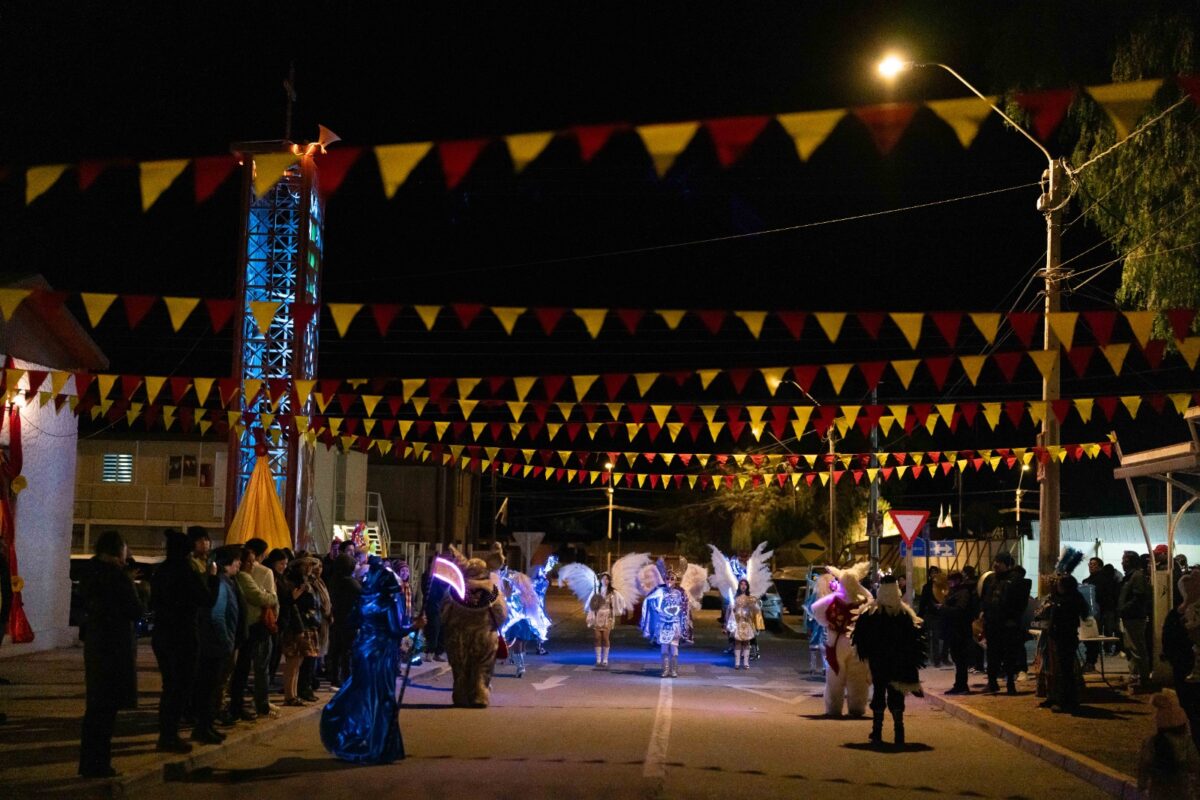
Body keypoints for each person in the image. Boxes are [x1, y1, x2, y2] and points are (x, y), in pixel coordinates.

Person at [320, 558, 424, 765]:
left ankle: (362, 736)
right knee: (381, 697)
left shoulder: (363, 601)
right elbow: (396, 630)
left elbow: (351, 621)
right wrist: (416, 625)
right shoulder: (387, 603)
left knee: (363, 694)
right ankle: (379, 746)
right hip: (381, 654)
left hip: (362, 651)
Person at [78, 531, 144, 778]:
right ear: (119, 550)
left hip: (96, 645)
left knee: (95, 707)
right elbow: (136, 611)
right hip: (115, 647)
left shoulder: (90, 573)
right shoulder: (118, 576)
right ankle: (99, 764)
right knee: (106, 712)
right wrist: (134, 586)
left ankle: (88, 762)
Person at [150, 529, 217, 753]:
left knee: (169, 685)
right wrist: (214, 579)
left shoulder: (160, 571)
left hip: (162, 634)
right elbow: (206, 599)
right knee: (181, 686)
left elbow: (152, 602)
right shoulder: (186, 572)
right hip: (183, 634)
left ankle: (166, 732)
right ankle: (169, 735)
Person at [852, 575, 926, 748]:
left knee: (879, 693)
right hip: (898, 664)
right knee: (896, 695)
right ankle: (899, 732)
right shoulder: (905, 615)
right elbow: (914, 643)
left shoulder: (871, 615)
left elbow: (861, 640)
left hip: (879, 664)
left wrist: (868, 658)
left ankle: (877, 731)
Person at [441, 557, 506, 707]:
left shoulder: (454, 589)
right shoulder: (492, 590)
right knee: (482, 668)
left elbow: (444, 613)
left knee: (460, 668)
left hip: (459, 636)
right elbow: (501, 613)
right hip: (484, 635)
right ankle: (479, 696)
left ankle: (461, 696)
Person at [810, 563, 872, 717]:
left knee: (834, 678)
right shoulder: (864, 599)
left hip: (836, 643)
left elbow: (816, 609)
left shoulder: (834, 598)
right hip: (857, 644)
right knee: (857, 677)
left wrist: (828, 624)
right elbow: (872, 606)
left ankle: (833, 707)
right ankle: (857, 707)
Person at [194, 545, 241, 744]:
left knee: (212, 687)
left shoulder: (226, 582)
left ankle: (207, 726)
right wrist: (227, 641)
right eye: (237, 561)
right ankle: (203, 727)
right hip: (216, 646)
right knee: (210, 688)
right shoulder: (221, 584)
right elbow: (217, 616)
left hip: (218, 644)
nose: (239, 565)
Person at [228, 542, 278, 722]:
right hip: (252, 627)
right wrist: (271, 598)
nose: (252, 565)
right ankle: (239, 706)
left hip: (245, 627)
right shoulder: (245, 577)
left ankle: (237, 705)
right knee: (248, 668)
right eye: (249, 562)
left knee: (243, 668)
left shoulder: (240, 577)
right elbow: (263, 597)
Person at [1035, 574, 1089, 713]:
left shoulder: (1068, 601)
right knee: (1059, 670)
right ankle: (1058, 698)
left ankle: (1066, 700)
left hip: (1065, 637)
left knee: (1065, 671)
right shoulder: (1067, 599)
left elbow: (1064, 619)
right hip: (1061, 637)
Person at [1137, 691, 1200, 798]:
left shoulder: (1151, 742)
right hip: (1181, 790)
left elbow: (1144, 766)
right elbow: (1195, 765)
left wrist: (1142, 785)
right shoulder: (1186, 742)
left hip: (1157, 792)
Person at [979, 552, 1025, 695]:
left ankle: (1010, 682)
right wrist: (983, 612)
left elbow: (1019, 603)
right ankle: (992, 682)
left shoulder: (1015, 579)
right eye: (995, 561)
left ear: (1007, 564)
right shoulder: (991, 579)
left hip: (1008, 624)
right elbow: (985, 597)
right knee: (992, 655)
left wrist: (1011, 617)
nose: (996, 564)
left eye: (1000, 562)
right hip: (992, 623)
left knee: (1009, 655)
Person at [278, 556, 321, 706]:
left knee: (299, 661)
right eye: (307, 565)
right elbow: (291, 603)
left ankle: (294, 694)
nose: (310, 568)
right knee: (293, 661)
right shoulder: (292, 583)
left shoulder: (307, 582)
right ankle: (289, 694)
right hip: (295, 625)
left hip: (304, 624)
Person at [327, 553, 362, 687]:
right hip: (349, 619)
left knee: (336, 650)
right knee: (347, 650)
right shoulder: (350, 582)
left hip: (337, 618)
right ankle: (347, 677)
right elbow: (362, 595)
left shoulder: (334, 579)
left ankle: (335, 676)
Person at [1119, 549, 1152, 690]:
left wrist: (1125, 608)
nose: (1122, 563)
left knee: (1137, 648)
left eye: (1125, 561)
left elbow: (1139, 597)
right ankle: (1134, 676)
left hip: (1135, 617)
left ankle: (1142, 679)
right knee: (1131, 648)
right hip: (1130, 616)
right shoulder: (1131, 576)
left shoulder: (1136, 576)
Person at [500, 570, 542, 678]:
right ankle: (520, 666)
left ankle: (520, 666)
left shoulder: (516, 596)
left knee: (519, 644)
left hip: (518, 623)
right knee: (520, 644)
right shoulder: (524, 595)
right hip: (522, 622)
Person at [942, 571, 978, 694]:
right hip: (954, 630)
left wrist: (943, 608)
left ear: (957, 580)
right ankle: (959, 684)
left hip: (961, 631)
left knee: (961, 660)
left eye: (951, 580)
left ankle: (962, 686)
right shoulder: (956, 592)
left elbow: (959, 610)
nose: (949, 583)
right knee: (957, 659)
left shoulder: (963, 593)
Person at [1083, 557, 1120, 670]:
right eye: (1090, 564)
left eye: (1094, 564)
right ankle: (1091, 660)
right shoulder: (1087, 581)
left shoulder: (1105, 579)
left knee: (1098, 635)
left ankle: (1093, 659)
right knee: (1092, 637)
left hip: (1105, 611)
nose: (1091, 566)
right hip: (1094, 613)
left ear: (1099, 566)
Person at [728, 578, 761, 670]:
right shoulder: (735, 598)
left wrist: (753, 604)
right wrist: (732, 608)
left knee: (747, 643)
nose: (743, 586)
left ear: (747, 586)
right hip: (738, 623)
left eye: (745, 584)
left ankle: (746, 663)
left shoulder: (751, 599)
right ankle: (737, 663)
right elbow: (730, 612)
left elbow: (757, 610)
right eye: (741, 584)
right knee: (737, 643)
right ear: (739, 586)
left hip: (747, 623)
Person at [421, 553, 449, 662]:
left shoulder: (442, 577)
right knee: (433, 629)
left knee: (441, 629)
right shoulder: (428, 576)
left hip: (441, 607)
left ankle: (438, 651)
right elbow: (428, 592)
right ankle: (430, 651)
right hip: (431, 606)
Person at [917, 566, 947, 667]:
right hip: (931, 614)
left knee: (940, 638)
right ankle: (935, 660)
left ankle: (941, 658)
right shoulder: (927, 587)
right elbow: (923, 601)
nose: (934, 574)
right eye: (932, 572)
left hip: (942, 613)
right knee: (933, 637)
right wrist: (920, 615)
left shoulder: (943, 585)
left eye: (935, 572)